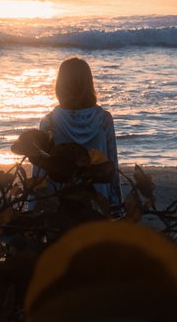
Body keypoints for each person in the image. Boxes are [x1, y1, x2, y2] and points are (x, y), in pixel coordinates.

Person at [37, 56, 122, 210]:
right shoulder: (104, 119)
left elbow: (40, 172)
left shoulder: (49, 122)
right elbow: (111, 166)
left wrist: (33, 210)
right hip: (97, 203)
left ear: (60, 85)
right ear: (89, 84)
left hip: (59, 206)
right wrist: (116, 208)